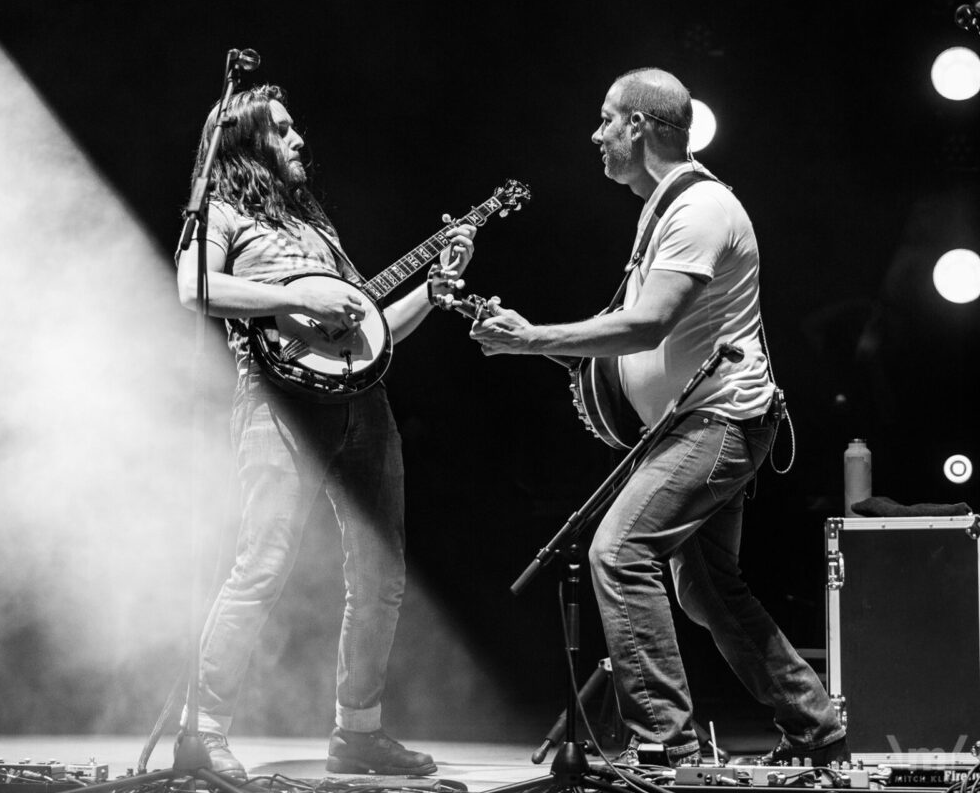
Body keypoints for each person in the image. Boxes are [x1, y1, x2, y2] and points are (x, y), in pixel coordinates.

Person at [469, 68, 847, 768]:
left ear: (639, 125)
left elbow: (645, 327)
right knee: (708, 588)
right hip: (700, 425)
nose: (597, 134)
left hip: (720, 423)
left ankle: (662, 746)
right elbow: (633, 344)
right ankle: (815, 727)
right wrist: (528, 340)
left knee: (619, 552)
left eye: (606, 119)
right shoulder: (662, 211)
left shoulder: (699, 209)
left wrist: (532, 339)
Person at [174, 84, 476, 779]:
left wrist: (431, 292)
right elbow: (194, 288)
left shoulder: (317, 226)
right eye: (281, 130)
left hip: (364, 404)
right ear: (248, 143)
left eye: (294, 127)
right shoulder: (220, 211)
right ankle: (208, 732)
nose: (298, 138)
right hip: (276, 404)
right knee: (263, 565)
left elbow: (371, 330)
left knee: (382, 575)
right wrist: (293, 295)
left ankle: (358, 733)